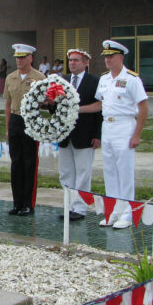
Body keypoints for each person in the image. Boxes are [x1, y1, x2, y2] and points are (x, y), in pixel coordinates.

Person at [80, 40, 148, 229]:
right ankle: (113, 211)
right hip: (107, 127)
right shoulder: (104, 79)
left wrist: (137, 134)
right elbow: (100, 105)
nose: (107, 60)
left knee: (124, 171)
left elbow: (143, 107)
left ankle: (127, 212)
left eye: (111, 57)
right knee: (109, 170)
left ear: (120, 57)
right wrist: (77, 109)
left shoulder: (132, 79)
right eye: (106, 57)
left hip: (124, 126)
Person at [58, 49, 101, 221]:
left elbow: (99, 110)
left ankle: (80, 207)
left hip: (85, 134)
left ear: (85, 62)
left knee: (83, 172)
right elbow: (57, 107)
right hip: (65, 135)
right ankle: (69, 205)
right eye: (70, 60)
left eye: (76, 60)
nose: (72, 63)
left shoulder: (94, 81)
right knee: (66, 172)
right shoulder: (63, 81)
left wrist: (98, 135)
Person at [4, 43, 46, 216]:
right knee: (16, 163)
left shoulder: (40, 77)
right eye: (17, 57)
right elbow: (7, 103)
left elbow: (45, 101)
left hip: (30, 120)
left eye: (22, 57)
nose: (19, 60)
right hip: (15, 119)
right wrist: (8, 128)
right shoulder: (10, 77)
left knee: (29, 163)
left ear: (30, 58)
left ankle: (28, 204)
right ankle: (17, 203)